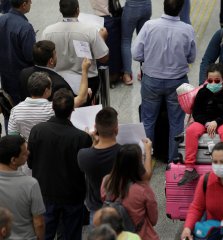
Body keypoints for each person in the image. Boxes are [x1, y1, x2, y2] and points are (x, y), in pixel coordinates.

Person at [132, 0, 196, 163]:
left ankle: (145, 160)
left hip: (151, 81)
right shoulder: (187, 30)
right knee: (176, 123)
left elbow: (136, 54)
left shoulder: (149, 26)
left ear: (163, 5)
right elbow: (191, 57)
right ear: (181, 8)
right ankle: (173, 162)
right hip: (178, 83)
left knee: (148, 121)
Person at [27, 89, 93, 240]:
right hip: (72, 194)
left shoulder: (37, 130)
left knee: (46, 233)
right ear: (73, 109)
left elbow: (31, 164)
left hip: (44, 192)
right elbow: (86, 168)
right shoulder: (81, 138)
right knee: (71, 234)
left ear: (53, 107)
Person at [78, 106, 153, 224]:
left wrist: (94, 142)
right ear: (116, 130)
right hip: (122, 208)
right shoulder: (126, 154)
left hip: (97, 210)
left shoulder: (83, 155)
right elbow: (146, 177)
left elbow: (92, 155)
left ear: (96, 128)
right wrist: (148, 151)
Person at [177, 63, 223, 186]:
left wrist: (217, 122)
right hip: (204, 121)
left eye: (217, 81)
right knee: (191, 130)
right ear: (206, 80)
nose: (213, 84)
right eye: (210, 80)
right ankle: (189, 168)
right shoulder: (202, 92)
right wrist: (207, 123)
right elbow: (197, 113)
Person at [42, 0, 109, 105]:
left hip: (57, 82)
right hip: (87, 81)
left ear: (60, 10)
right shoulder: (90, 31)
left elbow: (44, 59)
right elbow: (103, 58)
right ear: (78, 10)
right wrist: (102, 39)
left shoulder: (47, 32)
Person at [100, 144, 159, 240]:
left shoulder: (106, 181)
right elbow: (153, 220)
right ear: (138, 164)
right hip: (141, 235)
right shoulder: (143, 189)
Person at [0, 135, 45, 240]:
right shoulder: (31, 184)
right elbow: (39, 223)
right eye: (24, 153)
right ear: (13, 160)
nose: (28, 153)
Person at [19, 40, 90, 106]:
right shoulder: (58, 84)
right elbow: (73, 104)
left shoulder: (24, 73)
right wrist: (85, 71)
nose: (56, 56)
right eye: (55, 53)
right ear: (51, 61)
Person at [0, 0, 36, 105]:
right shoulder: (25, 27)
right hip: (22, 80)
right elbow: (30, 56)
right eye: (29, 1)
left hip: (5, 78)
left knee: (8, 109)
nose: (31, 3)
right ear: (24, 5)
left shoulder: (1, 20)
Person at [88, 0, 123, 88]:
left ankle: (105, 76)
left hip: (98, 19)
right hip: (110, 18)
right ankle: (113, 76)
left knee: (103, 48)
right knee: (114, 49)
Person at [121, 0, 151, 85]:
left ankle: (127, 75)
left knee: (126, 40)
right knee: (144, 40)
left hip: (132, 6)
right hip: (147, 5)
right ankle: (144, 72)